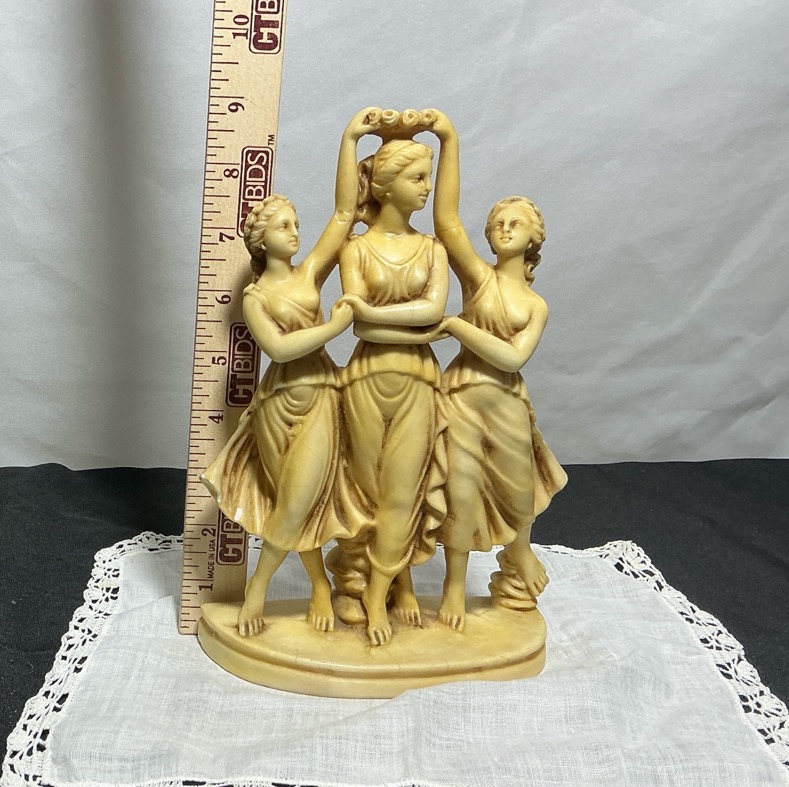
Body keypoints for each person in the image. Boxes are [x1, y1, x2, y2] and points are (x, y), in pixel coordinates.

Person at [201, 109, 380, 637]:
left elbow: (343, 215)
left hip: (322, 395)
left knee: (302, 498)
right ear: (261, 240)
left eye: (296, 224)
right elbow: (278, 349)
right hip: (278, 407)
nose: (295, 232)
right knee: (295, 504)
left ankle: (257, 590)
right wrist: (336, 326)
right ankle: (320, 585)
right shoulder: (255, 297)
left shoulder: (308, 276)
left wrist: (350, 138)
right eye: (284, 226)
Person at [430, 111, 568, 632]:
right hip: (463, 398)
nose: (505, 229)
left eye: (516, 224)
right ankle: (452, 587)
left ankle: (518, 556)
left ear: (534, 238)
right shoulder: (478, 280)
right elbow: (447, 222)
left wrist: (456, 325)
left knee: (518, 493)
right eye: (498, 224)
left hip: (506, 403)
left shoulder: (535, 305)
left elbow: (511, 359)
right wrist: (448, 139)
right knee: (460, 495)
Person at [328, 117, 449, 646]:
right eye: (418, 177)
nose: (426, 187)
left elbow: (435, 309)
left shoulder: (433, 250)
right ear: (385, 185)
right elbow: (361, 327)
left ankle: (380, 594)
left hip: (418, 380)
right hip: (366, 380)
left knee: (404, 492)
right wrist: (411, 321)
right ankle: (361, 581)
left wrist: (375, 313)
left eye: (429, 177)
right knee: (364, 491)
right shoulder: (355, 249)